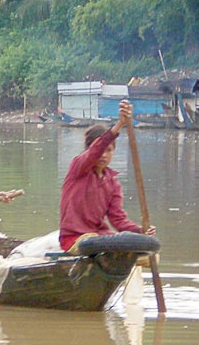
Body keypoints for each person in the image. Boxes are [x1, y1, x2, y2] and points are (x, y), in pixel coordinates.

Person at [59, 100, 155, 255]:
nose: (104, 155)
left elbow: (118, 220)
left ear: (113, 151)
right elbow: (96, 150)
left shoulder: (113, 182)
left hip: (101, 237)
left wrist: (141, 231)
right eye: (102, 150)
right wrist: (120, 124)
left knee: (150, 252)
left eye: (109, 150)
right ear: (89, 151)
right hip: (76, 239)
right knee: (94, 242)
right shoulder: (78, 167)